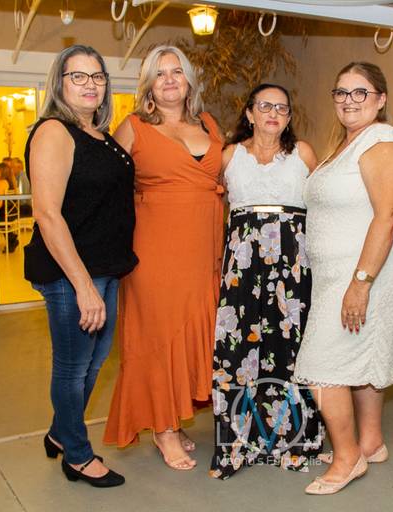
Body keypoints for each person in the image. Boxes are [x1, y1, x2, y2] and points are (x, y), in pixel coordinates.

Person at [293, 62, 393, 495]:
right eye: (341, 92)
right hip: (339, 274)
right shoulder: (347, 143)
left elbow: (389, 214)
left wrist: (361, 282)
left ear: (381, 99)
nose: (349, 100)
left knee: (321, 365)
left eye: (360, 92)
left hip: (366, 272)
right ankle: (370, 442)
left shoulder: (382, 141)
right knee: (360, 361)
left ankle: (348, 458)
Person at [104, 45, 224, 471]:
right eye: (160, 73)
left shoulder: (208, 123)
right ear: (148, 85)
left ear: (189, 80)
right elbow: (107, 187)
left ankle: (172, 413)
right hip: (155, 250)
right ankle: (163, 429)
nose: (170, 79)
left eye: (177, 71)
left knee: (192, 329)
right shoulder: (133, 127)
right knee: (159, 334)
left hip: (205, 249)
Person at [24, 45, 138, 488]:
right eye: (78, 76)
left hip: (103, 267)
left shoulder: (98, 134)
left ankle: (60, 431)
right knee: (73, 367)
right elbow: (47, 214)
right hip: (70, 273)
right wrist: (83, 286)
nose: (90, 84)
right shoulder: (54, 131)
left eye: (98, 76)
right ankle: (77, 455)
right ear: (60, 83)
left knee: (93, 362)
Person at [209, 83, 324, 480]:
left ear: (289, 117)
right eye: (265, 106)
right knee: (238, 350)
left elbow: (325, 206)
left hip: (292, 266)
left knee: (290, 348)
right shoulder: (229, 155)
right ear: (249, 113)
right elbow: (209, 206)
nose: (274, 113)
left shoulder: (302, 153)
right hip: (242, 268)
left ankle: (294, 442)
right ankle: (236, 445)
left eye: (282, 108)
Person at [0, 161, 19, 253]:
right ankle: (12, 239)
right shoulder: (10, 182)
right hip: (11, 214)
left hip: (3, 216)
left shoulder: (1, 183)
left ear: (2, 172)